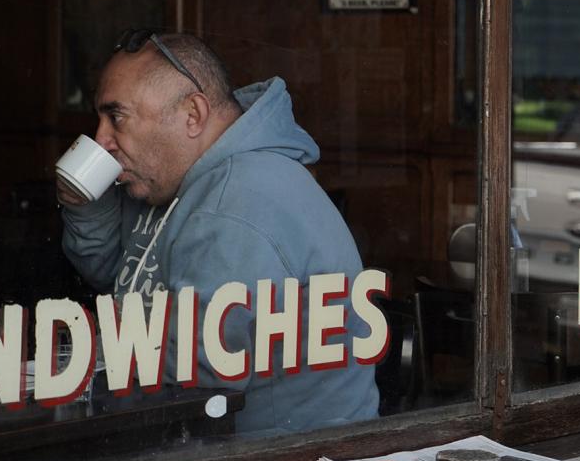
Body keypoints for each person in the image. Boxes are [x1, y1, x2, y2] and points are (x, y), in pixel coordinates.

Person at [58, 29, 379, 434]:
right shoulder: (168, 178)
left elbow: (200, 374)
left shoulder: (234, 203)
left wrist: (96, 342)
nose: (100, 139)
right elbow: (116, 273)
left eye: (116, 117)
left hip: (281, 460)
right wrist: (85, 203)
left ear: (193, 114)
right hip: (224, 440)